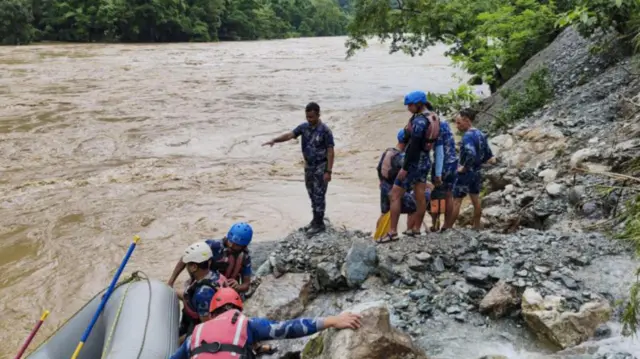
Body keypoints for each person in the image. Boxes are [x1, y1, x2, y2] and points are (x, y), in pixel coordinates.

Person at [169, 288, 362, 359]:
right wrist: (331, 321)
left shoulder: (196, 333)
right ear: (238, 308)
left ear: (212, 313)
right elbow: (289, 329)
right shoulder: (247, 324)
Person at [262, 102, 335, 236]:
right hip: (308, 166)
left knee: (319, 195)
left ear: (318, 115)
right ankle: (315, 220)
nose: (309, 119)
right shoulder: (304, 127)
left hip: (321, 166)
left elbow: (330, 152)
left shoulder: (325, 131)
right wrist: (274, 140)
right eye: (307, 117)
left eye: (312, 117)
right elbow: (290, 135)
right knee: (311, 193)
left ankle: (320, 224)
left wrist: (328, 171)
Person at [381, 91, 442, 243]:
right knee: (420, 196)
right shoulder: (433, 117)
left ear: (419, 104)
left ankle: (392, 232)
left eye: (411, 105)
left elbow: (413, 146)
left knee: (394, 194)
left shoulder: (420, 122)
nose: (408, 108)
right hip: (425, 160)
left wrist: (405, 168)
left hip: (414, 162)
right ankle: (415, 229)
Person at [168, 222, 254, 296]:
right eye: (231, 242)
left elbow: (246, 284)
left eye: (236, 245)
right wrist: (171, 282)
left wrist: (238, 287)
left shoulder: (245, 257)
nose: (231, 246)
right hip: (204, 286)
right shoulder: (213, 246)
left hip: (226, 292)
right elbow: (185, 257)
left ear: (244, 246)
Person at [451, 108, 496, 230]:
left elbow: (471, 154)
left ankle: (448, 229)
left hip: (466, 174)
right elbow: (490, 156)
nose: (457, 126)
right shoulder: (481, 134)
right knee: (476, 200)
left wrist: (464, 168)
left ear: (467, 121)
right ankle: (476, 226)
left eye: (459, 123)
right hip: (477, 172)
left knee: (456, 201)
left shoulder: (467, 136)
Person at [176, 242, 226, 340]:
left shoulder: (203, 294)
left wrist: (182, 341)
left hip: (200, 325)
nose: (186, 268)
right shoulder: (217, 275)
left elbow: (206, 327)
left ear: (194, 267)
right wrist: (172, 291)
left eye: (187, 265)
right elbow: (188, 296)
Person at [431, 117, 458, 231]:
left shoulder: (437, 128)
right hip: (453, 163)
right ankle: (446, 225)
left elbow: (440, 152)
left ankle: (435, 224)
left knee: (436, 196)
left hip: (443, 166)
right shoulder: (445, 124)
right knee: (449, 195)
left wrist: (437, 173)